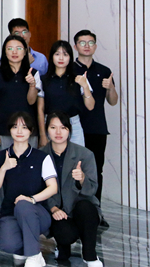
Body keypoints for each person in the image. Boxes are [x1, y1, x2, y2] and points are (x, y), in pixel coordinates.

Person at [0, 111, 58, 267]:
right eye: (15, 127)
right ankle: (26, 249)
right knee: (8, 245)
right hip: (10, 213)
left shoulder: (41, 157)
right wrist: (4, 168)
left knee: (23, 205)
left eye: (24, 127)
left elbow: (53, 187)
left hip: (38, 213)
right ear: (9, 130)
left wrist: (31, 199)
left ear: (31, 131)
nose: (19, 131)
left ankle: (34, 255)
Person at [41, 112, 104, 267]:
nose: (58, 132)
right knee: (65, 235)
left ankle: (90, 255)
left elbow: (92, 190)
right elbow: (38, 188)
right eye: (53, 127)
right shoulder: (40, 155)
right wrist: (53, 208)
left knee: (86, 208)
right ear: (47, 130)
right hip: (56, 210)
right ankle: (62, 247)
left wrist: (82, 179)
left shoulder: (85, 154)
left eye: (63, 128)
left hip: (80, 207)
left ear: (69, 130)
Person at [73, 29, 117, 221]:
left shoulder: (104, 71)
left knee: (96, 170)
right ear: (76, 46)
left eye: (90, 43)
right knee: (72, 170)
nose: (87, 46)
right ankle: (73, 210)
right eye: (82, 43)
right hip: (73, 128)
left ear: (95, 46)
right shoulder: (69, 69)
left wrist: (111, 87)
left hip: (97, 128)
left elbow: (113, 101)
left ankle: (96, 211)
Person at [0, 35, 43, 151]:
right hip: (3, 130)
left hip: (28, 129)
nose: (14, 52)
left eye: (19, 48)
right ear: (5, 52)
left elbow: (31, 101)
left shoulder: (33, 73)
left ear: (25, 52)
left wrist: (32, 85)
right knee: (3, 161)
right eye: (10, 48)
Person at [37, 41, 94, 147]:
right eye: (57, 54)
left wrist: (85, 86)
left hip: (73, 124)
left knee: (76, 156)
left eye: (65, 54)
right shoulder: (43, 79)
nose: (61, 58)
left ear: (70, 57)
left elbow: (90, 106)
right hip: (51, 124)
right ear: (52, 57)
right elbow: (40, 109)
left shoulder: (79, 78)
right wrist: (43, 135)